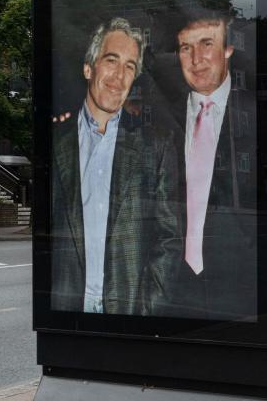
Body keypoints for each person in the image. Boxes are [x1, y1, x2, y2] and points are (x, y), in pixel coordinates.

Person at [51, 18, 180, 315]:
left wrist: (147, 312)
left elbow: (169, 239)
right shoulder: (56, 142)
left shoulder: (156, 147)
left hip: (129, 313)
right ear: (89, 68)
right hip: (68, 311)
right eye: (111, 60)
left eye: (130, 66)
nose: (120, 76)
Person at [167, 7, 257, 320]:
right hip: (173, 285)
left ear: (228, 48)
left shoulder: (255, 116)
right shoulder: (163, 115)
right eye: (185, 48)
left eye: (207, 44)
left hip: (239, 283)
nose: (196, 60)